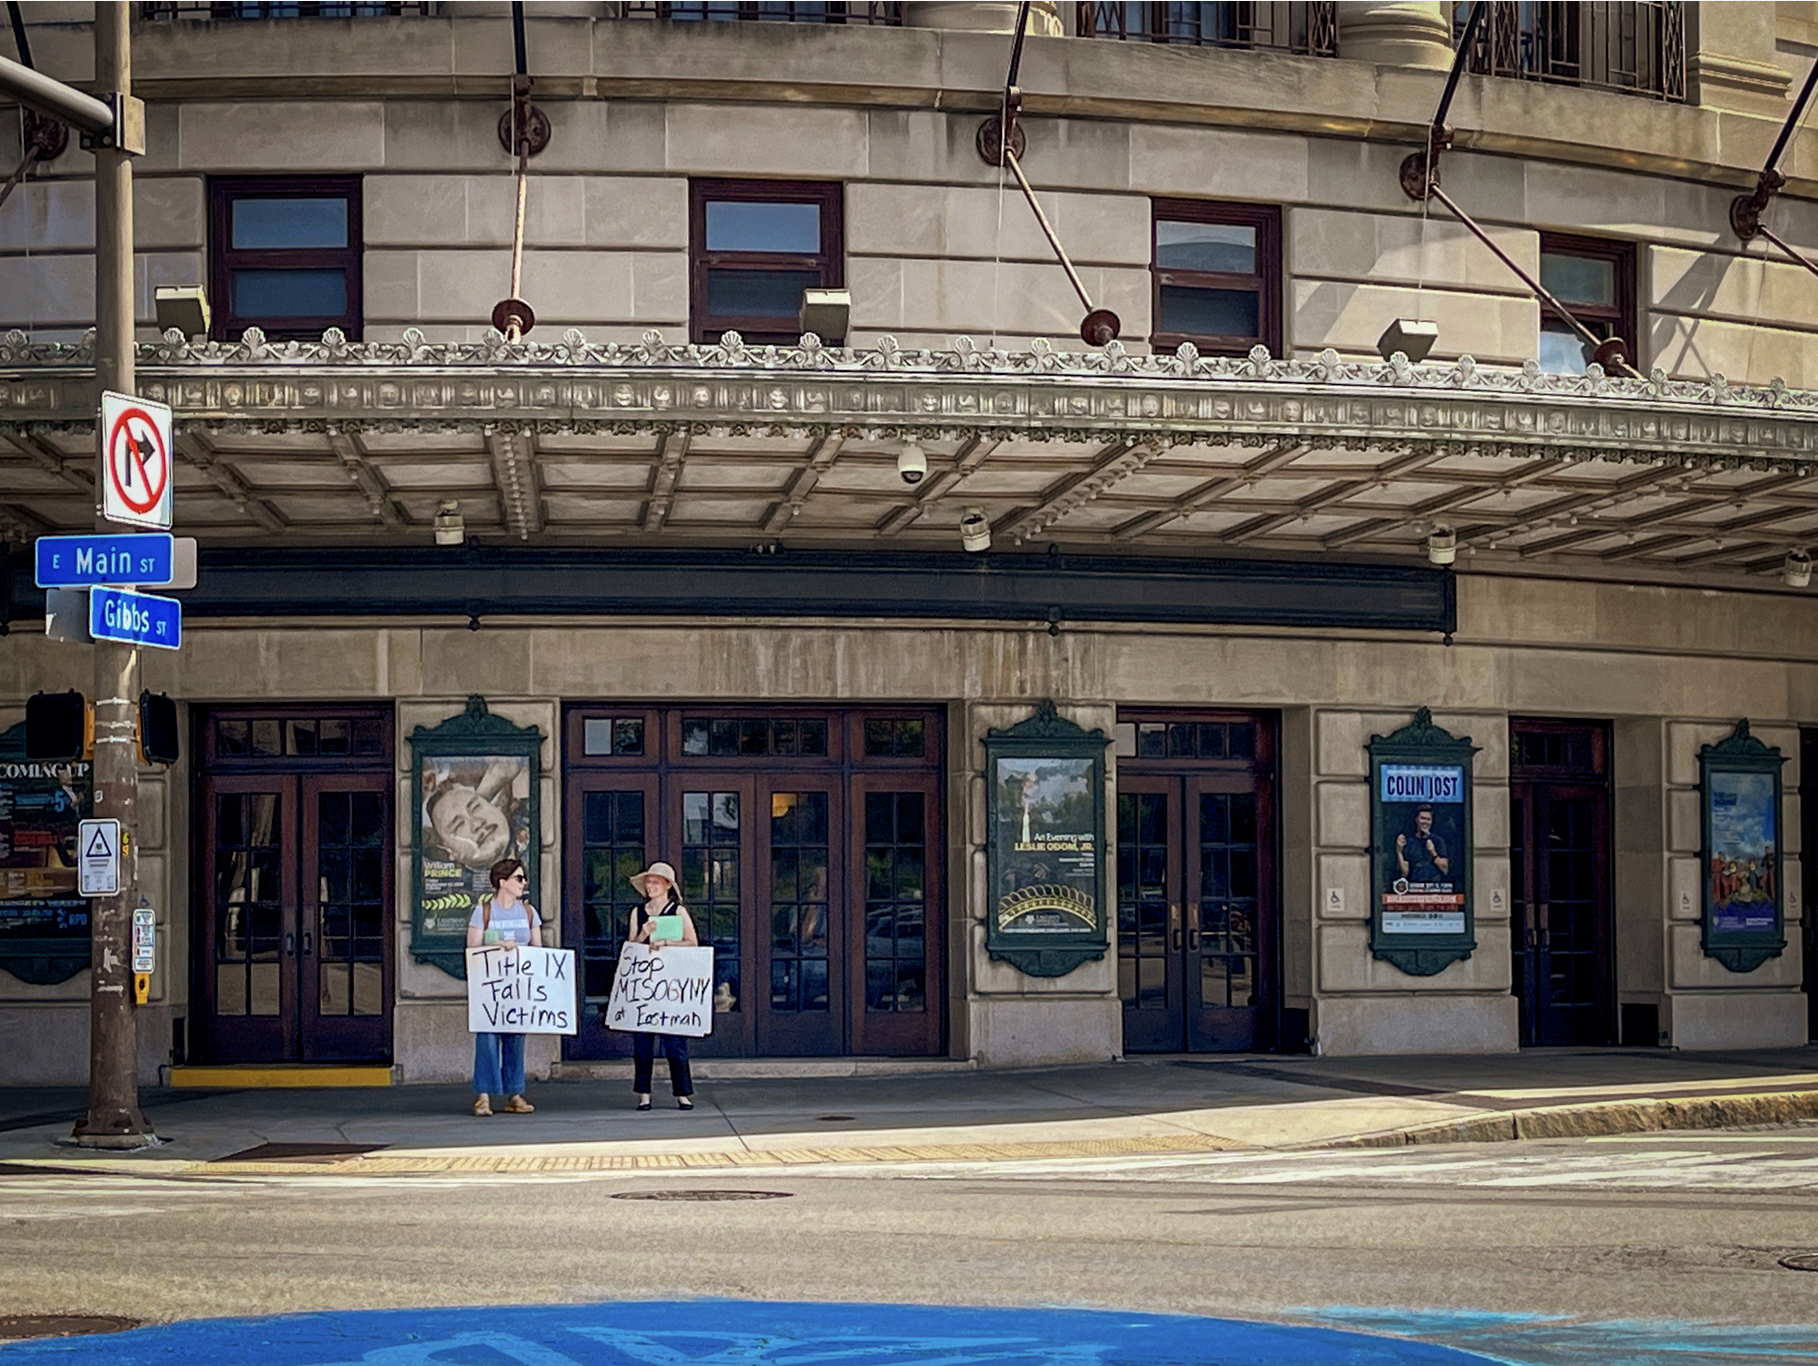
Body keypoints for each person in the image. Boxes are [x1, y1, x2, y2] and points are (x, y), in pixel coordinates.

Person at [465, 856, 541, 1118]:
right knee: (487, 1037)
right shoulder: (484, 911)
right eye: (519, 878)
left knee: (516, 1037)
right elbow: (472, 948)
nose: (523, 883)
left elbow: (538, 950)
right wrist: (497, 945)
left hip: (517, 985)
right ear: (502, 882)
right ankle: (483, 1096)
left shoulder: (529, 912)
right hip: (489, 986)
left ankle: (514, 1093)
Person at [626, 860, 700, 1112]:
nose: (650, 886)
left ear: (667, 885)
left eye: (655, 882)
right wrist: (644, 934)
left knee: (675, 1043)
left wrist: (668, 942)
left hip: (671, 985)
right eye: (648, 882)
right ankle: (643, 1094)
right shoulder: (638, 913)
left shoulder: (677, 912)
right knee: (642, 1042)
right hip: (646, 985)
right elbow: (630, 949)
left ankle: (682, 1093)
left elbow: (692, 942)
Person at [1394, 805, 1450, 884]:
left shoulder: (1438, 841)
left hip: (1434, 887)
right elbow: (1404, 873)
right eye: (1422, 818)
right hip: (1414, 886)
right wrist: (1399, 850)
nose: (1425, 822)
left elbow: (1445, 870)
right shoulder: (1410, 842)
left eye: (1428, 819)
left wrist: (1433, 852)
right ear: (1416, 820)